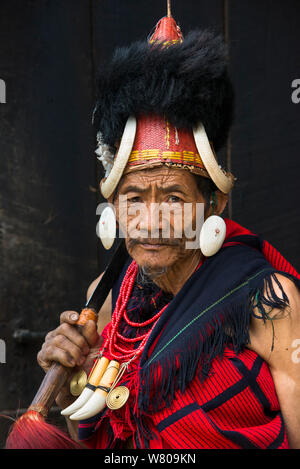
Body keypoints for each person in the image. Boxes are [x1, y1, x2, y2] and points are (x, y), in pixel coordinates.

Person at [37, 12, 300, 449]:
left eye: (174, 199)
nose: (152, 219)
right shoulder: (104, 300)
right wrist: (66, 384)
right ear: (114, 207)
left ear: (213, 204)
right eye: (135, 198)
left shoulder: (266, 302)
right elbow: (92, 444)